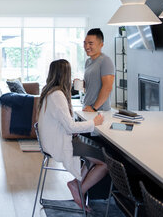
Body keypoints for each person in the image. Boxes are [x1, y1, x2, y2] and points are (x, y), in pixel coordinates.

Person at [38, 59, 108, 210]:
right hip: (57, 144)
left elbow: (64, 124)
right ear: (65, 75)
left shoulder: (50, 92)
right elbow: (70, 127)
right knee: (104, 163)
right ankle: (79, 190)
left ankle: (76, 184)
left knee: (92, 152)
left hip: (52, 140)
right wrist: (94, 123)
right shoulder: (57, 95)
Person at [81, 28, 114, 112]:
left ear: (101, 44)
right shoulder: (88, 61)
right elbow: (91, 84)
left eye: (90, 43)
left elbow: (107, 88)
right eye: (85, 43)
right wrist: (82, 84)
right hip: (87, 108)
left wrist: (94, 108)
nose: (87, 46)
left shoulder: (105, 61)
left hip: (99, 111)